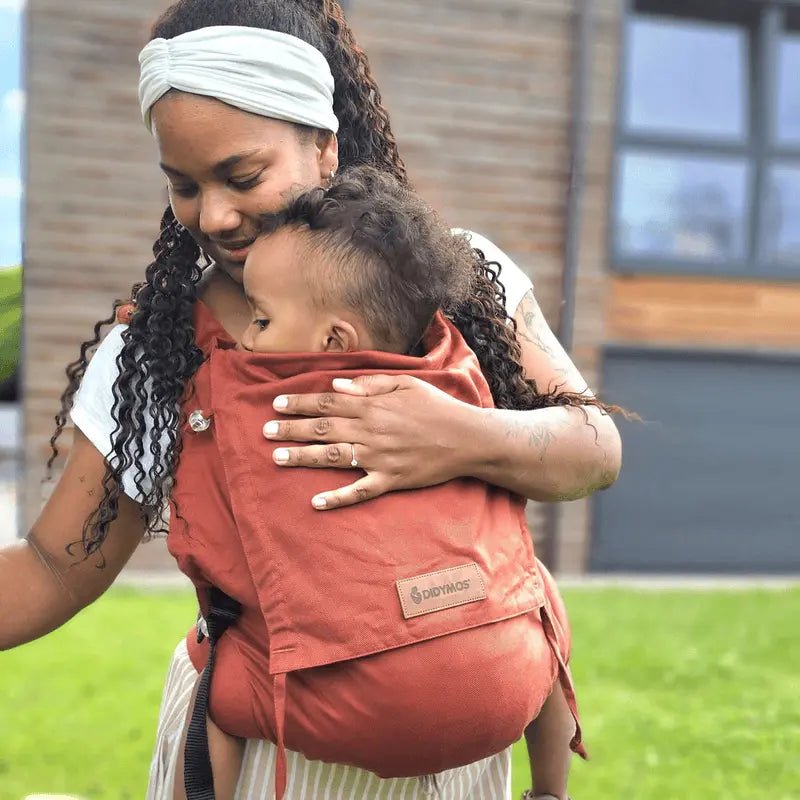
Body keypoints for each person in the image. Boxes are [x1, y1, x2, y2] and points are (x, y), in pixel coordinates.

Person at [0, 2, 622, 799]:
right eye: (183, 186)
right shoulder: (156, 348)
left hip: (450, 746)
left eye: (243, 176)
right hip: (267, 748)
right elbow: (56, 566)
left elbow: (594, 448)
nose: (214, 216)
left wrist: (459, 434)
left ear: (325, 144)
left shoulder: (453, 281)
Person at [177, 165, 612, 800]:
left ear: (334, 339)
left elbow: (208, 553)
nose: (249, 335)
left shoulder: (251, 404)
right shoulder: (454, 366)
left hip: (364, 713)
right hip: (506, 687)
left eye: (263, 320)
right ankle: (551, 790)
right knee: (536, 588)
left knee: (211, 662)